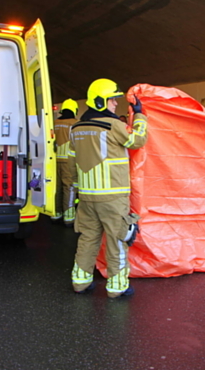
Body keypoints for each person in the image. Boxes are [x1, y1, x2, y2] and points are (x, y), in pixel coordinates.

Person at [68, 79, 148, 298]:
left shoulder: (76, 129)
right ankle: (117, 286)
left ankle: (80, 282)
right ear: (101, 101)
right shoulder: (113, 126)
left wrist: (76, 193)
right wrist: (139, 116)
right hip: (112, 196)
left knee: (87, 239)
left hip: (87, 197)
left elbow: (72, 163)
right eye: (112, 99)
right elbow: (138, 140)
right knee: (117, 240)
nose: (115, 103)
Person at [53, 99, 79, 227]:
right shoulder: (75, 124)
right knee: (69, 187)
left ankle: (55, 213)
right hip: (68, 161)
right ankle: (69, 216)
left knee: (56, 188)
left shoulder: (54, 123)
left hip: (53, 161)